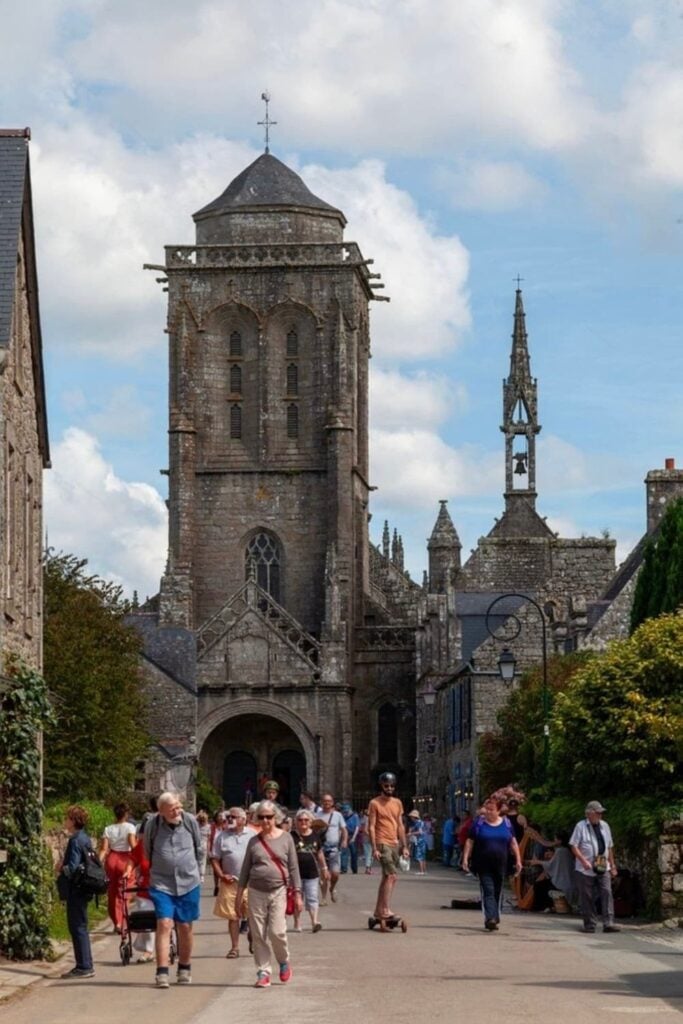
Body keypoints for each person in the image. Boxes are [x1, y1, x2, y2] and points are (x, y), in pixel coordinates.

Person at [235, 800, 303, 989]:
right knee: (258, 934)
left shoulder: (286, 838)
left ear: (276, 818)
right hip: (256, 891)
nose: (265, 820)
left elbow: (293, 868)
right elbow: (245, 870)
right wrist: (239, 897)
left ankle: (283, 961)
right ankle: (263, 972)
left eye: (269, 817)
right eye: (262, 817)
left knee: (276, 931)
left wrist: (297, 894)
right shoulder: (254, 841)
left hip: (278, 890)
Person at [143, 791, 203, 988]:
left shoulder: (189, 821)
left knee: (185, 926)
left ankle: (184, 967)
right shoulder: (152, 825)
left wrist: (200, 874)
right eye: (172, 809)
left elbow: (199, 848)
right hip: (162, 883)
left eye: (178, 806)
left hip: (189, 882)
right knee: (164, 923)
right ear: (161, 811)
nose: (178, 811)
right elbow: (147, 850)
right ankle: (162, 972)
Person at [462, 796, 522, 931]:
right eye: (487, 809)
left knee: (497, 890)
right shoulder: (479, 824)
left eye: (491, 810)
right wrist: (465, 858)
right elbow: (469, 841)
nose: (488, 812)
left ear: (498, 810)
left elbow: (513, 843)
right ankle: (490, 918)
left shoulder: (506, 824)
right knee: (488, 890)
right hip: (482, 864)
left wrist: (518, 860)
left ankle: (495, 916)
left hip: (501, 864)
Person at [56, 805, 95, 978]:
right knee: (82, 926)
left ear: (73, 821)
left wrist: (60, 868)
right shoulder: (85, 838)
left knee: (77, 926)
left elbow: (72, 867)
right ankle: (86, 964)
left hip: (76, 889)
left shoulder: (75, 840)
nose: (65, 821)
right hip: (84, 887)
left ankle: (83, 966)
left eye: (67, 818)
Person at [569, 800, 620, 934]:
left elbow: (609, 847)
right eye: (597, 813)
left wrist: (613, 865)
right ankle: (590, 924)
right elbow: (574, 846)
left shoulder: (605, 826)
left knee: (607, 891)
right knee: (587, 896)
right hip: (585, 868)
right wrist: (583, 861)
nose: (600, 815)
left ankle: (608, 923)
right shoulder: (580, 826)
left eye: (601, 813)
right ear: (589, 814)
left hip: (602, 863)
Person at [367, 772, 409, 923]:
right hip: (382, 842)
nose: (389, 788)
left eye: (392, 786)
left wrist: (404, 846)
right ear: (381, 786)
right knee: (392, 875)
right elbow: (371, 826)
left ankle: (378, 910)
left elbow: (400, 825)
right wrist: (374, 848)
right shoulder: (375, 803)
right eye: (386, 786)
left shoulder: (397, 803)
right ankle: (385, 910)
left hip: (394, 843)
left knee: (386, 877)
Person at [211, 806, 252, 958]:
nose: (229, 819)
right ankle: (234, 947)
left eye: (233, 817)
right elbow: (214, 858)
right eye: (228, 817)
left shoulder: (252, 835)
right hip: (230, 882)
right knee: (233, 916)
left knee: (253, 914)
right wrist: (221, 875)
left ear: (243, 819)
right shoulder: (221, 836)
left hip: (250, 882)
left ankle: (253, 937)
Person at [100, 801, 136, 933]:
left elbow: (104, 849)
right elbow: (132, 844)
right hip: (125, 859)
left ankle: (116, 921)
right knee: (124, 891)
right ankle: (121, 922)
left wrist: (98, 864)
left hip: (112, 859)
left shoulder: (108, 829)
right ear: (126, 814)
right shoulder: (130, 827)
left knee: (112, 891)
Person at [292, 809, 328, 932]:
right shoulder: (291, 836)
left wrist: (324, 868)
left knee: (313, 897)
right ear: (296, 822)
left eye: (306, 820)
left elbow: (319, 853)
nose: (303, 822)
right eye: (300, 820)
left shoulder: (315, 836)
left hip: (312, 873)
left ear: (310, 821)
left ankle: (314, 922)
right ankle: (297, 922)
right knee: (297, 899)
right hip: (295, 874)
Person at [319, 792, 348, 904]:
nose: (327, 803)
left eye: (329, 801)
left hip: (334, 848)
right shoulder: (317, 815)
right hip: (321, 848)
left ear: (332, 803)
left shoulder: (338, 815)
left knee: (335, 874)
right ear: (321, 802)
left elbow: (344, 829)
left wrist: (344, 840)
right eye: (325, 801)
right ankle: (324, 898)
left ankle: (332, 887)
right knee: (324, 874)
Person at [340, 803, 360, 874]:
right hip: (344, 836)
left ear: (350, 810)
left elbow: (357, 827)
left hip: (352, 835)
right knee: (343, 853)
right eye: (344, 811)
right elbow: (341, 827)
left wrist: (354, 838)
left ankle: (354, 869)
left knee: (353, 853)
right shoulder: (343, 816)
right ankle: (343, 869)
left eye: (346, 811)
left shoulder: (355, 816)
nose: (345, 813)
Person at [407, 809, 427, 875]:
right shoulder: (420, 822)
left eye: (411, 817)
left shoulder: (418, 823)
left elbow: (420, 832)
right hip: (423, 840)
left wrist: (411, 833)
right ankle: (424, 870)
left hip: (419, 840)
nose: (411, 818)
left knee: (419, 855)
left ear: (414, 817)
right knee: (423, 856)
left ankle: (421, 871)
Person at [196, 810, 211, 883]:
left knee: (198, 860)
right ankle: (201, 875)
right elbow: (209, 839)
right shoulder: (207, 826)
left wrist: (199, 814)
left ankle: (199, 874)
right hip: (202, 845)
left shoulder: (197, 825)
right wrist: (209, 849)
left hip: (199, 845)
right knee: (202, 861)